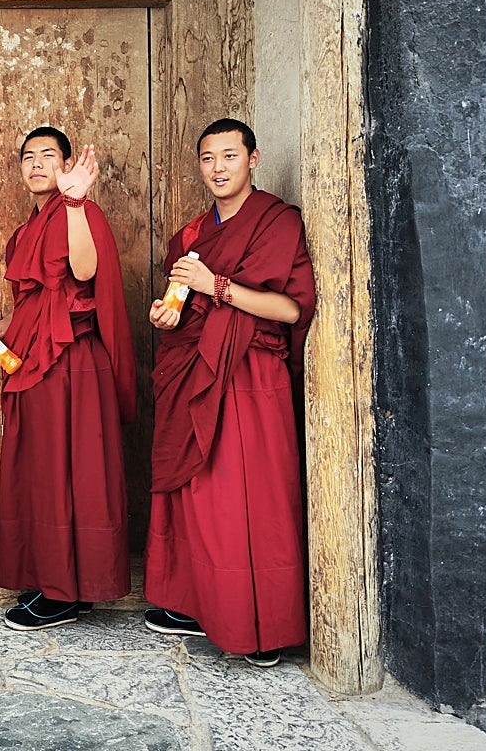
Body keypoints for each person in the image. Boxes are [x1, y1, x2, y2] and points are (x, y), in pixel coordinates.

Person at [143, 118, 316, 668]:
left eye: (229, 156)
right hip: (199, 370)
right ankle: (205, 605)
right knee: (205, 495)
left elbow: (289, 308)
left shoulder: (276, 222)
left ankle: (262, 626)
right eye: (208, 159)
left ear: (254, 160)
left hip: (251, 376)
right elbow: (181, 306)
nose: (218, 169)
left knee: (255, 499)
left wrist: (214, 286)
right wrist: (167, 316)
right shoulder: (193, 236)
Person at [0, 126, 137, 631]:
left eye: (48, 156)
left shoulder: (78, 213)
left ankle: (65, 593)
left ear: (66, 166)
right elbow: (30, 305)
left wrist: (78, 205)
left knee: (74, 471)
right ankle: (60, 583)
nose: (36, 163)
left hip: (75, 364)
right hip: (35, 363)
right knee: (44, 472)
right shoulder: (25, 232)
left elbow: (85, 273)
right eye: (28, 157)